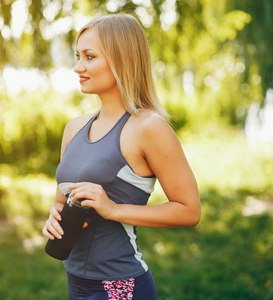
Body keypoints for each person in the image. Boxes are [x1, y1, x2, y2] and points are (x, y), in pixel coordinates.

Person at [42, 14, 201, 300]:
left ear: (121, 60)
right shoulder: (74, 128)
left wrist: (113, 209)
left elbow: (189, 210)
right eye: (78, 56)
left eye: (90, 57)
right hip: (76, 282)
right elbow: (60, 200)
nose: (78, 66)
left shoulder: (148, 127)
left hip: (121, 286)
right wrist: (54, 216)